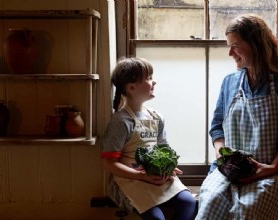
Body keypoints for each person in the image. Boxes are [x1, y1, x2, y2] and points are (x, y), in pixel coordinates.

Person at [196, 14, 278, 220]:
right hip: (229, 171)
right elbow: (216, 127)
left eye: (235, 45)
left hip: (270, 171)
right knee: (210, 203)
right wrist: (221, 152)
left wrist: (272, 168)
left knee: (248, 210)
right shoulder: (230, 82)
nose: (230, 52)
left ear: (256, 45)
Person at [101, 57, 196, 220]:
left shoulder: (156, 117)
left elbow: (164, 150)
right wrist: (142, 176)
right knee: (156, 218)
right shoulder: (121, 121)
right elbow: (109, 163)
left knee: (188, 202)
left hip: (157, 178)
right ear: (132, 87)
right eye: (149, 78)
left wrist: (168, 168)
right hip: (130, 180)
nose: (155, 82)